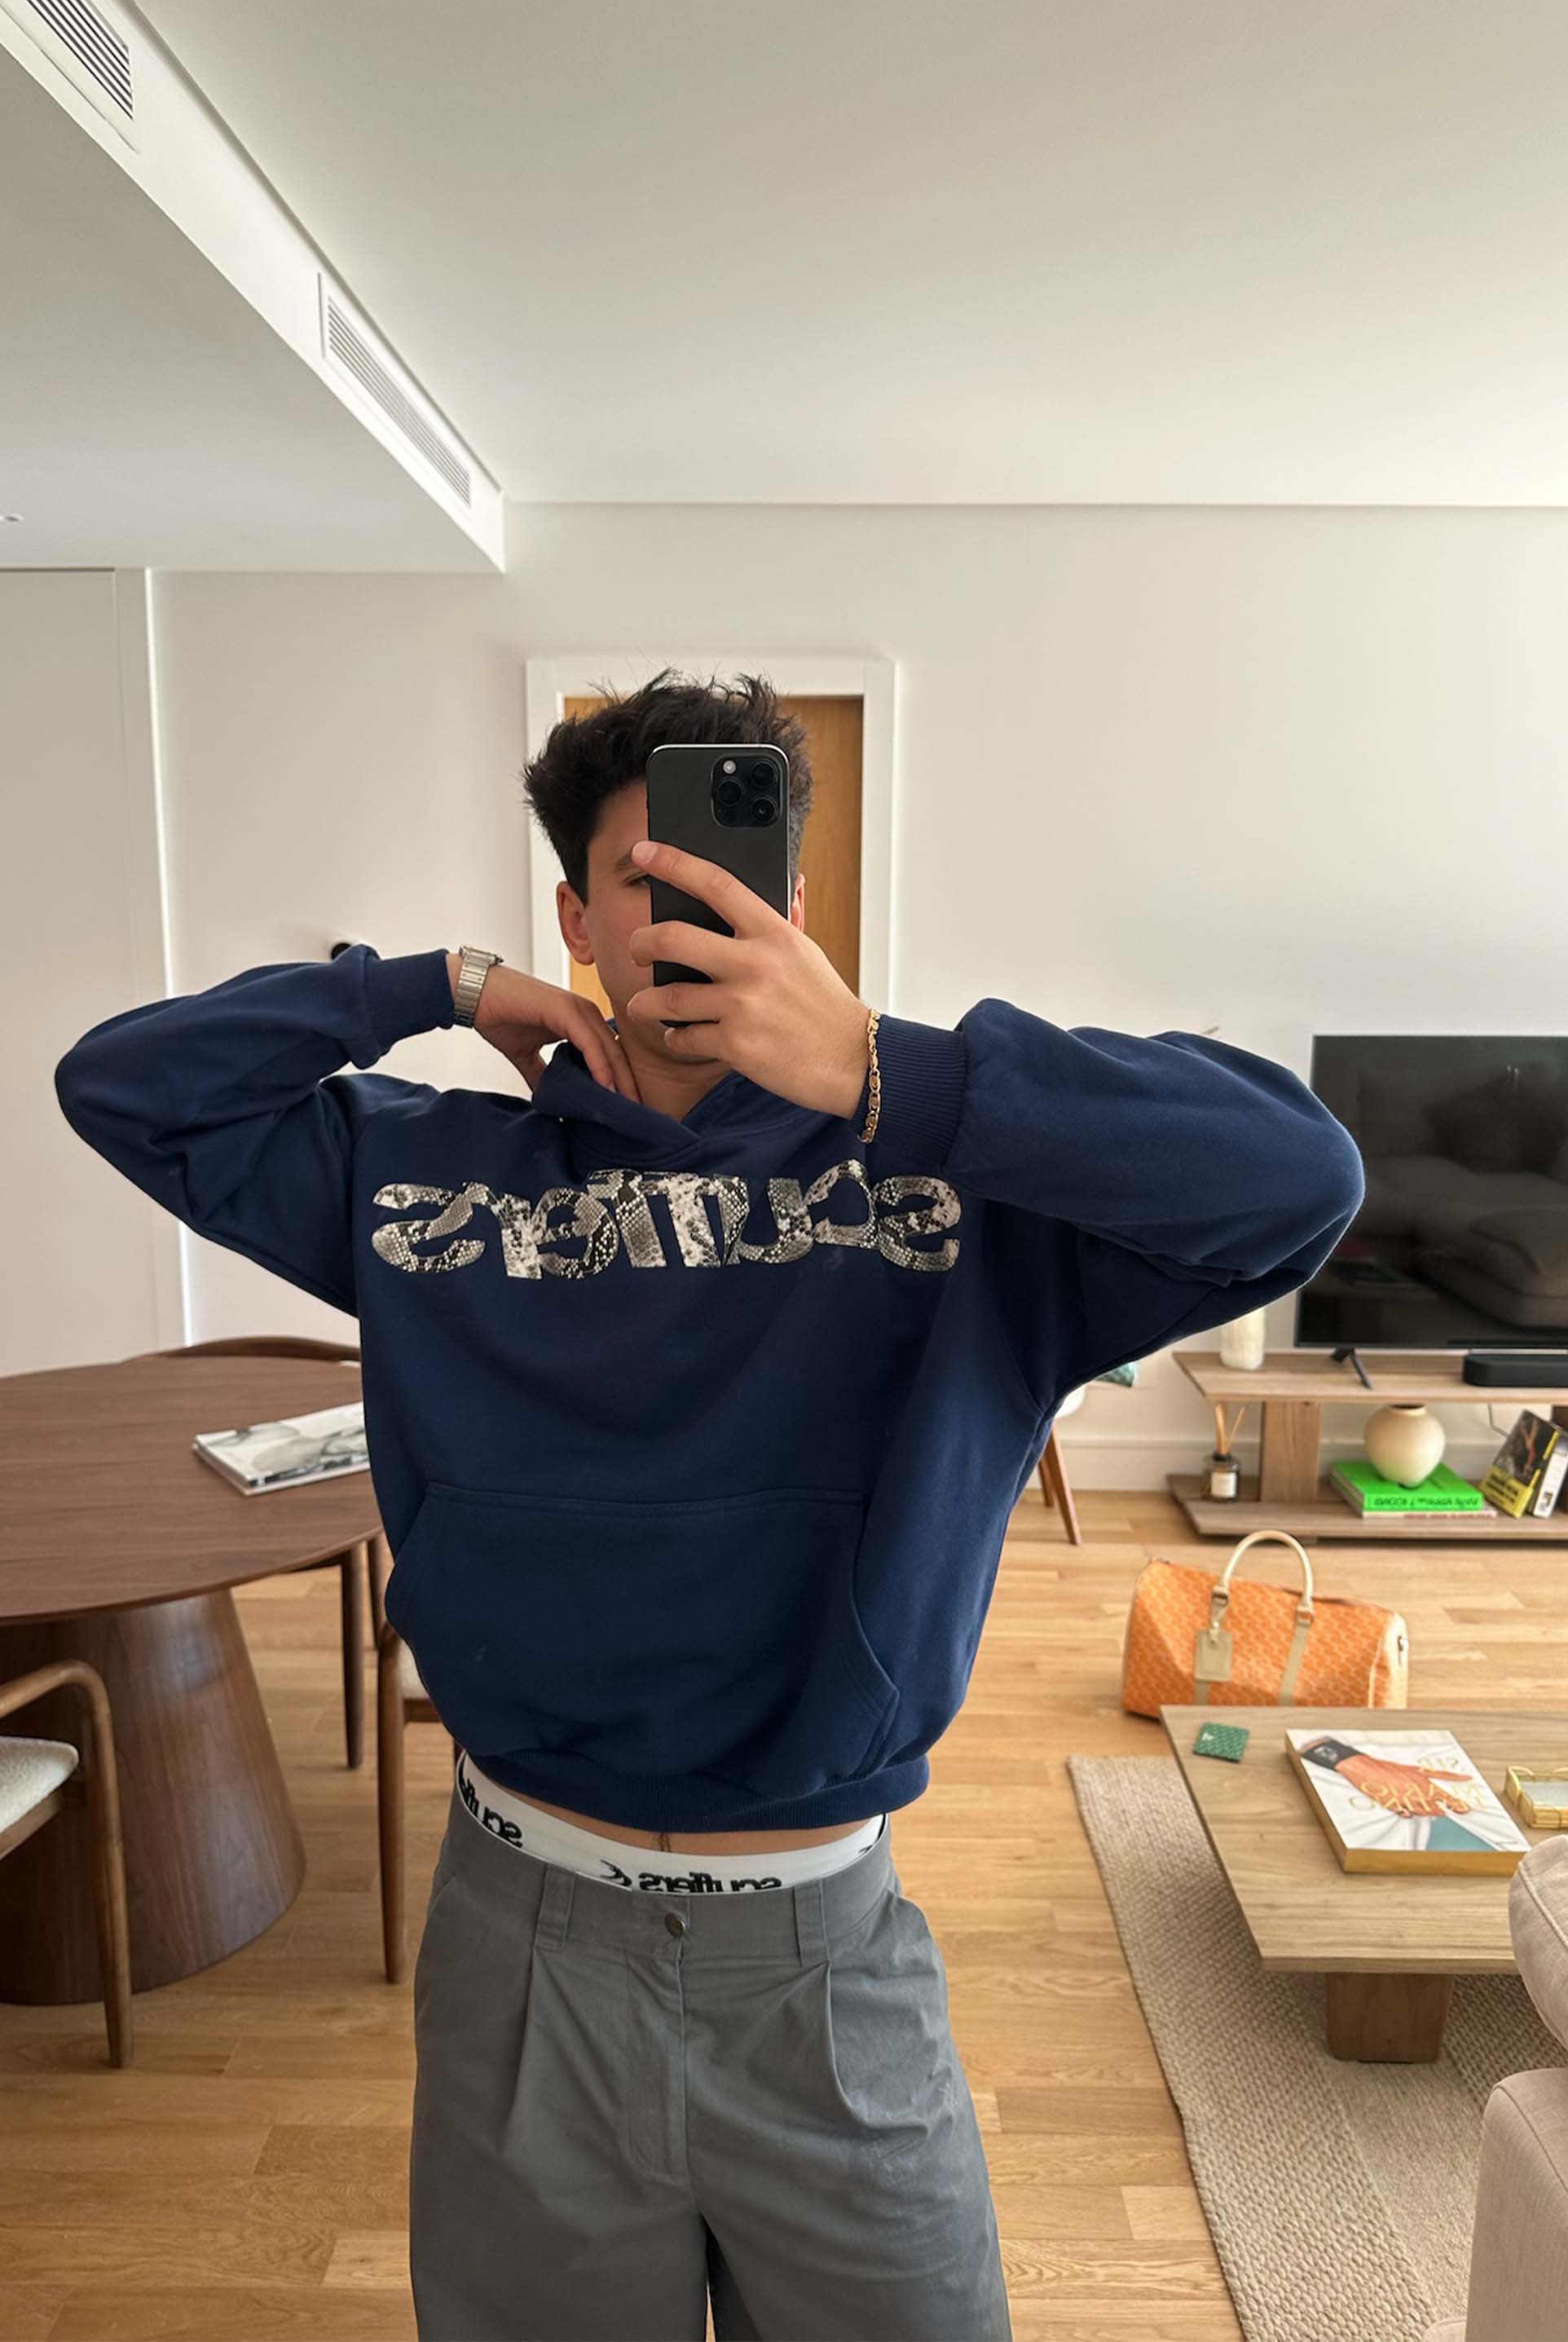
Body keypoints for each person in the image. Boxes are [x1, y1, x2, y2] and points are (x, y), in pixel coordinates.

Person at [53, 667, 1366, 2340]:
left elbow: (1301, 1178)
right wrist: (430, 984)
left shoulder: (958, 1188)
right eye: (643, 884)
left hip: (828, 1966)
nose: (689, 919)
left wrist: (889, 1068)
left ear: (795, 911)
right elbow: (125, 1085)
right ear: (575, 920)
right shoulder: (429, 1176)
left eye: (728, 883)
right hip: (521, 1949)